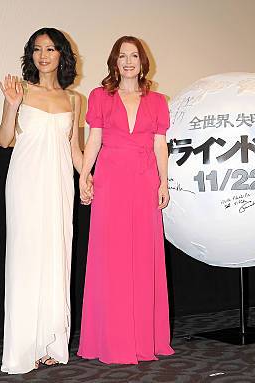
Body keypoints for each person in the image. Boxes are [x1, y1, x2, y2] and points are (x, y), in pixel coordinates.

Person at [77, 36, 174, 364]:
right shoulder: (100, 96)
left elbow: (160, 144)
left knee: (143, 258)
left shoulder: (158, 100)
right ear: (114, 62)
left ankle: (145, 339)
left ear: (143, 61)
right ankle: (110, 339)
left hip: (145, 180)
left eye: (134, 56)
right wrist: (84, 175)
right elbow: (94, 139)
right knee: (112, 258)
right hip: (111, 181)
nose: (129, 61)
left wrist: (164, 182)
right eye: (122, 56)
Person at [0, 28, 82, 374]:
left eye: (50, 49)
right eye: (37, 49)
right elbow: (4, 140)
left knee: (57, 254)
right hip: (26, 181)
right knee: (26, 256)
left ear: (62, 55)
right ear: (30, 55)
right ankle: (22, 347)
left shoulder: (75, 100)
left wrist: (90, 177)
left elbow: (75, 150)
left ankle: (51, 342)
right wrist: (12, 106)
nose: (43, 55)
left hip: (60, 182)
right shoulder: (20, 90)